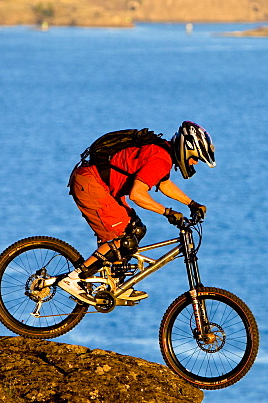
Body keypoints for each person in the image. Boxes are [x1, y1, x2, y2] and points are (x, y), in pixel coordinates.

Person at [56, 121, 215, 302]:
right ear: (187, 150)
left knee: (136, 230)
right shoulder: (160, 158)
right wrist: (167, 212)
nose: (194, 163)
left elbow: (163, 183)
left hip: (103, 187)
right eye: (195, 158)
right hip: (91, 185)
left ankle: (117, 283)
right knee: (124, 239)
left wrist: (191, 203)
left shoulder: (162, 154)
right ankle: (74, 279)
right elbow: (137, 195)